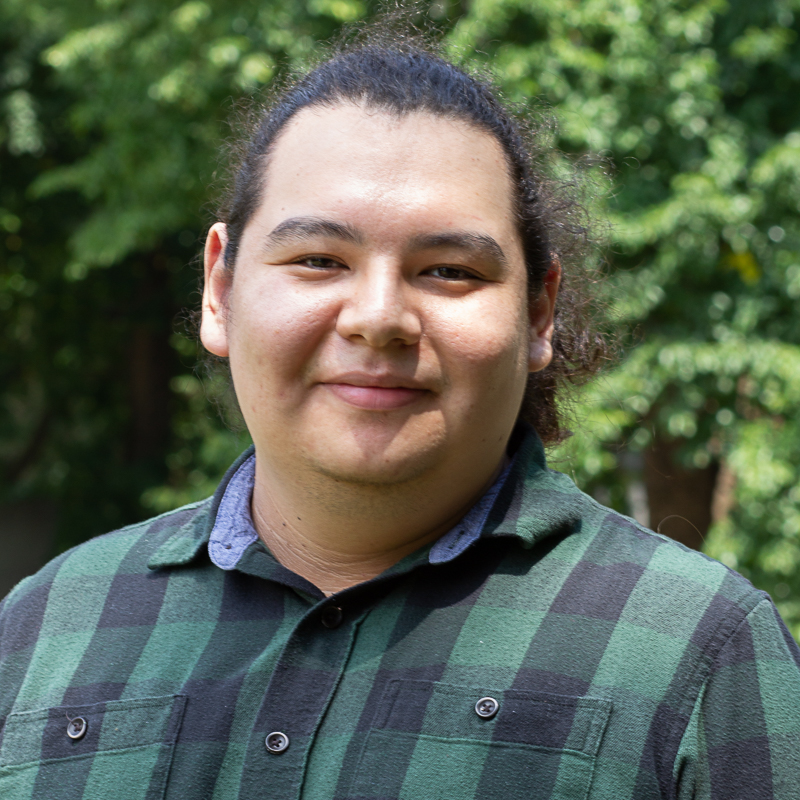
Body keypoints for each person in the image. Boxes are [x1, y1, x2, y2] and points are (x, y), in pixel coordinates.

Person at [1, 36, 799, 800]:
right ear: (221, 289)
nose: (378, 317)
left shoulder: (699, 653)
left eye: (448, 271)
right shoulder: (42, 629)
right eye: (318, 259)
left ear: (539, 313)